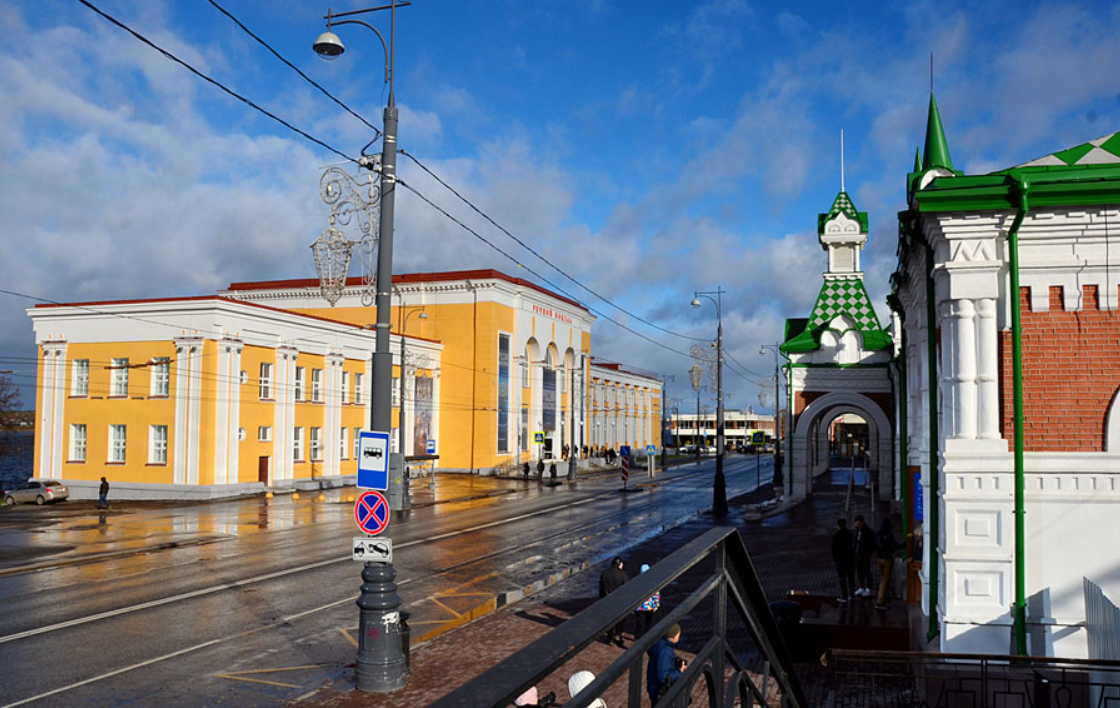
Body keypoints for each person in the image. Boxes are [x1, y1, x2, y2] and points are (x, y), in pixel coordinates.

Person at [646, 623, 686, 703]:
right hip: (660, 690)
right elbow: (664, 676)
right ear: (674, 636)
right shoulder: (665, 651)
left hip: (654, 687)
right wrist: (679, 671)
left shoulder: (659, 644)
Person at [598, 556, 628, 646]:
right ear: (619, 564)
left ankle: (610, 636)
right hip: (619, 601)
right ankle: (618, 634)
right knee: (621, 619)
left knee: (609, 620)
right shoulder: (623, 575)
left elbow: (601, 588)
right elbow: (627, 588)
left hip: (607, 599)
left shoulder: (604, 573)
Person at [875, 518, 901, 610]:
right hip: (887, 560)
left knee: (882, 579)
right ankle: (880, 601)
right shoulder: (889, 535)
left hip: (879, 559)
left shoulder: (878, 534)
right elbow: (895, 546)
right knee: (885, 581)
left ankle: (882, 598)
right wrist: (907, 544)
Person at [831, 518, 854, 604]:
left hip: (840, 560)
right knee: (851, 578)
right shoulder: (850, 533)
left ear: (838, 525)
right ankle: (852, 595)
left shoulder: (836, 536)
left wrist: (835, 559)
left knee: (842, 579)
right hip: (850, 558)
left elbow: (834, 549)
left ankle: (845, 596)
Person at [634, 563, 660, 637]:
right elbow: (656, 594)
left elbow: (633, 595)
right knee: (648, 623)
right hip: (650, 606)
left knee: (640, 624)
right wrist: (656, 605)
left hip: (639, 607)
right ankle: (646, 639)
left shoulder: (636, 582)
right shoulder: (652, 582)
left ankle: (638, 639)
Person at [853, 515, 875, 597]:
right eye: (856, 524)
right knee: (859, 571)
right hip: (858, 554)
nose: (857, 525)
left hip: (864, 554)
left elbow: (870, 543)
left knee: (866, 571)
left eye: (858, 523)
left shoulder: (867, 531)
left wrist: (868, 553)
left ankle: (869, 588)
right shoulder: (858, 530)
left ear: (862, 522)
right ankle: (862, 586)